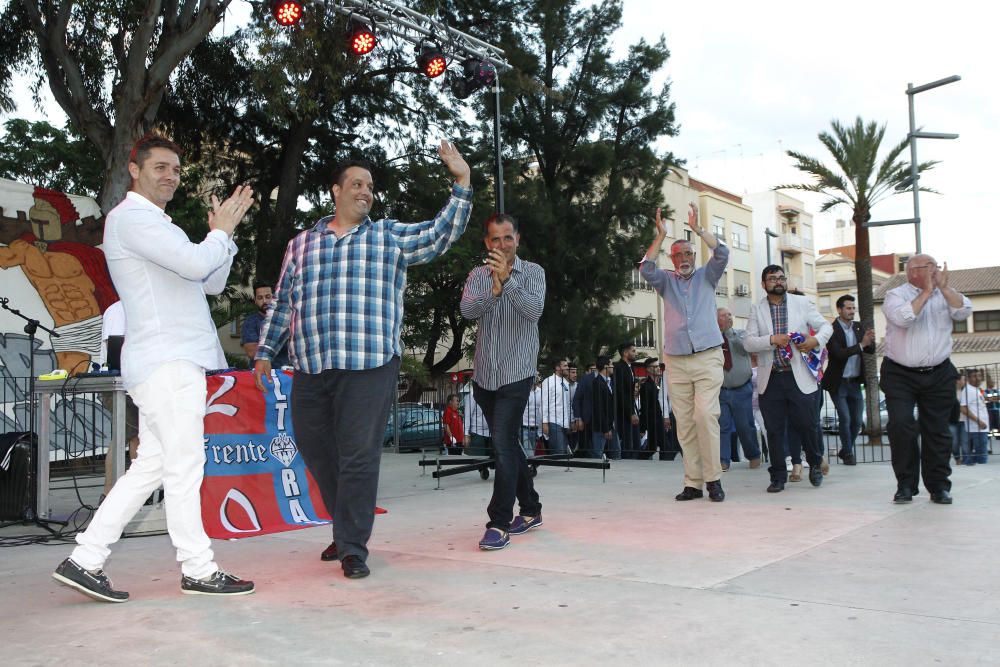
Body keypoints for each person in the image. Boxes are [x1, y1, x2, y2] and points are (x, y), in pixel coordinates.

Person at [254, 141, 472, 577]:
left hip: (369, 363)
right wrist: (264, 352)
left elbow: (438, 234)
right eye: (356, 183)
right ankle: (345, 524)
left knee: (358, 455)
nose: (365, 191)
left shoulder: (387, 236)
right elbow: (282, 305)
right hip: (312, 365)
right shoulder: (301, 245)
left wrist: (461, 182)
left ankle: (351, 544)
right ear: (335, 190)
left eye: (370, 186)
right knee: (316, 451)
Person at [53, 135, 256, 602]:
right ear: (135, 170)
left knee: (152, 466)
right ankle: (198, 569)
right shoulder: (131, 219)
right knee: (185, 464)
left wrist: (224, 235)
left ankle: (85, 558)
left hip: (169, 360)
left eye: (176, 170)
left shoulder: (157, 225)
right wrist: (219, 234)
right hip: (167, 360)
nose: (171, 176)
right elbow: (195, 262)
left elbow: (211, 279)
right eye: (161, 166)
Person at [460, 212, 545, 551]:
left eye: (507, 237)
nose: (502, 244)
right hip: (484, 377)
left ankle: (498, 522)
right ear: (487, 243)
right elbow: (467, 312)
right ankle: (532, 508)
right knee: (507, 444)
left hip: (516, 374)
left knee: (502, 444)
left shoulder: (534, 272)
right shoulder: (477, 276)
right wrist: (492, 292)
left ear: (517, 239)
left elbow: (534, 310)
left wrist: (508, 281)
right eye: (495, 239)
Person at [640, 204, 729, 502]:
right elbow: (645, 268)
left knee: (705, 415)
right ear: (672, 258)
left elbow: (722, 254)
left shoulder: (707, 276)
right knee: (685, 421)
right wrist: (662, 234)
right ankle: (693, 482)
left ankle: (713, 479)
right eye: (678, 255)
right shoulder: (666, 281)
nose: (683, 259)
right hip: (676, 360)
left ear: (694, 256)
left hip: (707, 357)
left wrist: (700, 230)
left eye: (688, 254)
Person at [880, 254, 972, 504]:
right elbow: (903, 319)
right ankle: (906, 486)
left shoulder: (945, 293)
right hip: (900, 372)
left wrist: (942, 288)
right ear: (912, 272)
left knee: (938, 431)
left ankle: (939, 486)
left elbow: (963, 311)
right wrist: (926, 293)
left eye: (935, 267)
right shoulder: (895, 295)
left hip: (939, 372)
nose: (934, 271)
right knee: (901, 426)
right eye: (928, 268)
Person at [744, 265, 832, 494]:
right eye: (772, 278)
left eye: (781, 277)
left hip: (799, 377)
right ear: (764, 284)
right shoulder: (757, 309)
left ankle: (814, 463)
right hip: (770, 378)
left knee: (808, 425)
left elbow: (826, 327)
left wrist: (815, 341)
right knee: (773, 430)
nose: (778, 281)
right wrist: (772, 339)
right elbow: (748, 342)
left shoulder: (801, 303)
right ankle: (778, 476)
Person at [820, 295, 875, 466]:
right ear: (839, 309)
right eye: (848, 308)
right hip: (838, 383)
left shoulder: (858, 327)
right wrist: (861, 345)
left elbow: (870, 350)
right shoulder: (831, 330)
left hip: (854, 382)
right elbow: (838, 354)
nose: (852, 311)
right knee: (845, 418)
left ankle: (845, 450)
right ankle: (849, 453)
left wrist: (869, 340)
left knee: (857, 421)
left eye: (853, 308)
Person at [98, 300, 140, 498]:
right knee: (125, 436)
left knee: (137, 436)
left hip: (135, 384)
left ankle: (135, 490)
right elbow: (113, 348)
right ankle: (109, 492)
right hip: (117, 386)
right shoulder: (117, 310)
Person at [717, 307, 763, 471]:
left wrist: (729, 332)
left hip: (741, 388)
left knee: (745, 425)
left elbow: (745, 348)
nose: (728, 317)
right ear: (716, 319)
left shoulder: (742, 335)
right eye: (724, 315)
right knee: (722, 426)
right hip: (720, 390)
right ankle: (723, 460)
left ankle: (753, 455)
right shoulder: (712, 339)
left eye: (730, 314)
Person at [241, 282, 290, 368]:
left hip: (286, 373)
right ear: (255, 301)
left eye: (268, 297)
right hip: (260, 374)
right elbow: (252, 352)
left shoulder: (287, 319)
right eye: (260, 298)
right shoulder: (251, 322)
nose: (264, 301)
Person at [612, 344, 641, 458]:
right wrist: (631, 413)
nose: (636, 353)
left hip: (630, 408)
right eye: (633, 351)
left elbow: (629, 392)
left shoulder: (631, 368)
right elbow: (621, 392)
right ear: (625, 353)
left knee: (635, 442)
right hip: (623, 412)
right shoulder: (619, 367)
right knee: (627, 443)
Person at [540, 359, 572, 454]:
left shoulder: (565, 382)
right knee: (559, 452)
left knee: (564, 452)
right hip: (553, 421)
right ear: (557, 368)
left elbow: (568, 403)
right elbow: (544, 402)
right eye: (565, 366)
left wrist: (571, 420)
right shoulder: (549, 381)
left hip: (564, 423)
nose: (567, 368)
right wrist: (544, 422)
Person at [959, 368, 990, 466]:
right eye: (974, 376)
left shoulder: (975, 389)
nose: (978, 378)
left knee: (978, 455)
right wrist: (979, 421)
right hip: (977, 428)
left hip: (981, 428)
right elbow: (963, 408)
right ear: (968, 378)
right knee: (982, 456)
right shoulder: (968, 391)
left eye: (979, 376)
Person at [590, 356, 619, 459]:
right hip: (601, 427)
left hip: (611, 424)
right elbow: (599, 408)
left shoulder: (610, 381)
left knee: (616, 453)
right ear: (606, 366)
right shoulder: (597, 383)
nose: (613, 367)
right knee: (598, 454)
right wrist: (606, 428)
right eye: (611, 365)